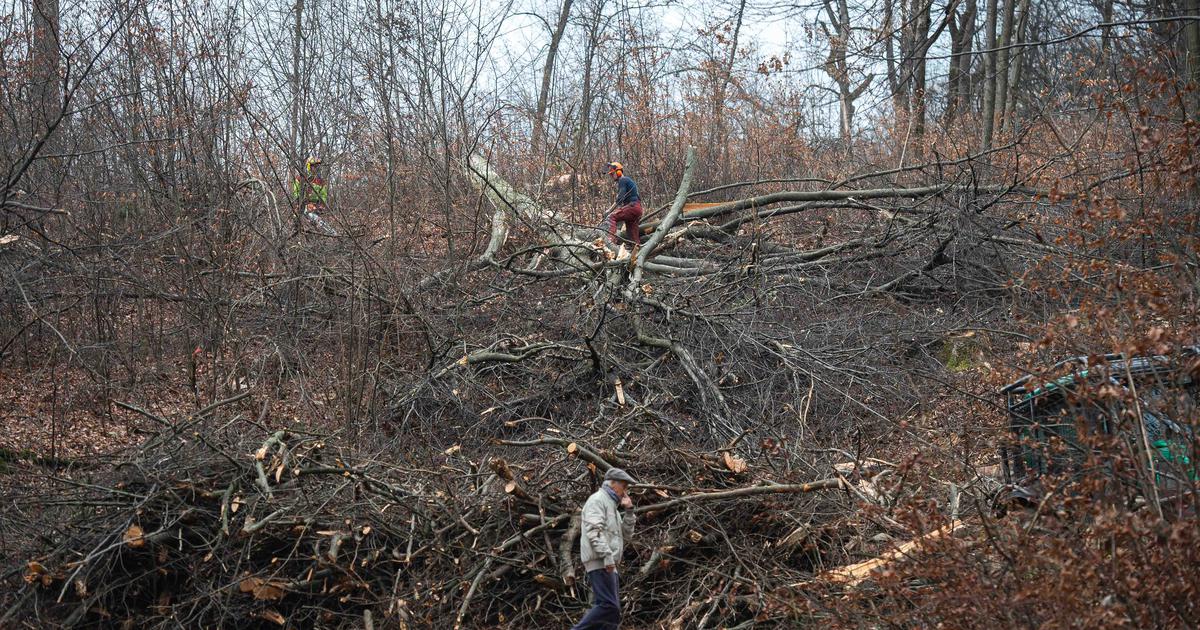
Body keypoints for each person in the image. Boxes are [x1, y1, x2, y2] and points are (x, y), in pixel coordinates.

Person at [572, 467, 637, 630]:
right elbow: (594, 531)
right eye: (624, 486)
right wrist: (608, 557)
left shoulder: (612, 507)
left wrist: (629, 511)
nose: (625, 490)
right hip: (601, 562)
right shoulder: (598, 500)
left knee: (612, 614)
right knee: (609, 606)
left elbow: (626, 536)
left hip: (609, 563)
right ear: (612, 483)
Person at [604, 162, 642, 259]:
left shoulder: (623, 180)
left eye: (613, 174)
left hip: (632, 207)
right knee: (632, 232)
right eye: (611, 174)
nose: (612, 176)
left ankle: (610, 242)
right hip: (637, 208)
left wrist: (609, 211)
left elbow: (620, 199)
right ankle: (637, 253)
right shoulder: (627, 181)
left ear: (619, 172)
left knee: (611, 217)